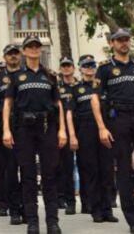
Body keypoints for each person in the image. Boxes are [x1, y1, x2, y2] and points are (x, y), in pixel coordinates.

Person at [91, 28, 134, 234]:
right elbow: (95, 98)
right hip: (118, 119)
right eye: (119, 40)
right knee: (123, 170)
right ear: (112, 43)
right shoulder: (104, 70)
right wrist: (102, 127)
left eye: (126, 40)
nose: (123, 43)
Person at [2, 35, 67, 234]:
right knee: (28, 176)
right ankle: (32, 221)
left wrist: (63, 129)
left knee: (50, 175)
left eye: (36, 46)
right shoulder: (15, 77)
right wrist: (5, 129)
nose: (33, 49)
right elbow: (8, 104)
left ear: (40, 50)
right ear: (24, 51)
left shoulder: (50, 76)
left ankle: (52, 222)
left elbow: (59, 105)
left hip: (47, 127)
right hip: (23, 129)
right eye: (29, 47)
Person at [64, 54, 118, 224]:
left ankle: (107, 209)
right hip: (85, 131)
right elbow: (69, 114)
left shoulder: (103, 86)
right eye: (86, 66)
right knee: (91, 171)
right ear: (80, 68)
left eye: (92, 65)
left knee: (107, 171)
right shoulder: (75, 88)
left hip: (104, 130)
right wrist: (72, 135)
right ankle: (95, 209)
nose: (89, 68)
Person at [0, 47, 24, 224]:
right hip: (4, 128)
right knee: (9, 169)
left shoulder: (28, 73)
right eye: (10, 54)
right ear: (4, 57)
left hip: (26, 127)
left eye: (16, 53)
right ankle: (13, 208)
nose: (13, 56)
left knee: (27, 169)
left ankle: (27, 206)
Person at [56, 57, 77, 216]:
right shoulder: (57, 88)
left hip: (82, 128)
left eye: (68, 65)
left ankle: (89, 200)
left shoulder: (80, 85)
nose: (66, 68)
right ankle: (67, 200)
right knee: (64, 167)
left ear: (74, 67)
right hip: (63, 129)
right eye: (63, 66)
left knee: (86, 166)